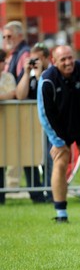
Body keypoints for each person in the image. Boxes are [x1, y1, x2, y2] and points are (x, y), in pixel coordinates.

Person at [37, 45, 80, 223]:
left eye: (70, 58)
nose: (68, 62)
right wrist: (56, 141)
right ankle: (61, 214)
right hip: (60, 127)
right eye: (63, 59)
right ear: (54, 62)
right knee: (60, 163)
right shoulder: (46, 79)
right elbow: (44, 113)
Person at [16, 42, 53, 202]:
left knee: (49, 160)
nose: (34, 63)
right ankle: (36, 195)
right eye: (31, 59)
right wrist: (26, 73)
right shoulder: (29, 74)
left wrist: (39, 77)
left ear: (45, 58)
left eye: (37, 59)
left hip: (50, 126)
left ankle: (52, 193)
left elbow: (47, 96)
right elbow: (20, 95)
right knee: (29, 157)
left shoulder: (52, 73)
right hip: (31, 125)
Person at [2, 21, 30, 190]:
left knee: (17, 150)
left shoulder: (23, 55)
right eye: (4, 36)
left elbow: (20, 89)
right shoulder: (13, 54)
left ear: (19, 35)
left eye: (9, 36)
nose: (6, 39)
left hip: (21, 112)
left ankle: (12, 186)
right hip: (12, 113)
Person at [0, 48, 17, 205]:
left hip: (8, 125)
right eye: (3, 61)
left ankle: (3, 196)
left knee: (6, 158)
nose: (5, 64)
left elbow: (13, 93)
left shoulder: (8, 77)